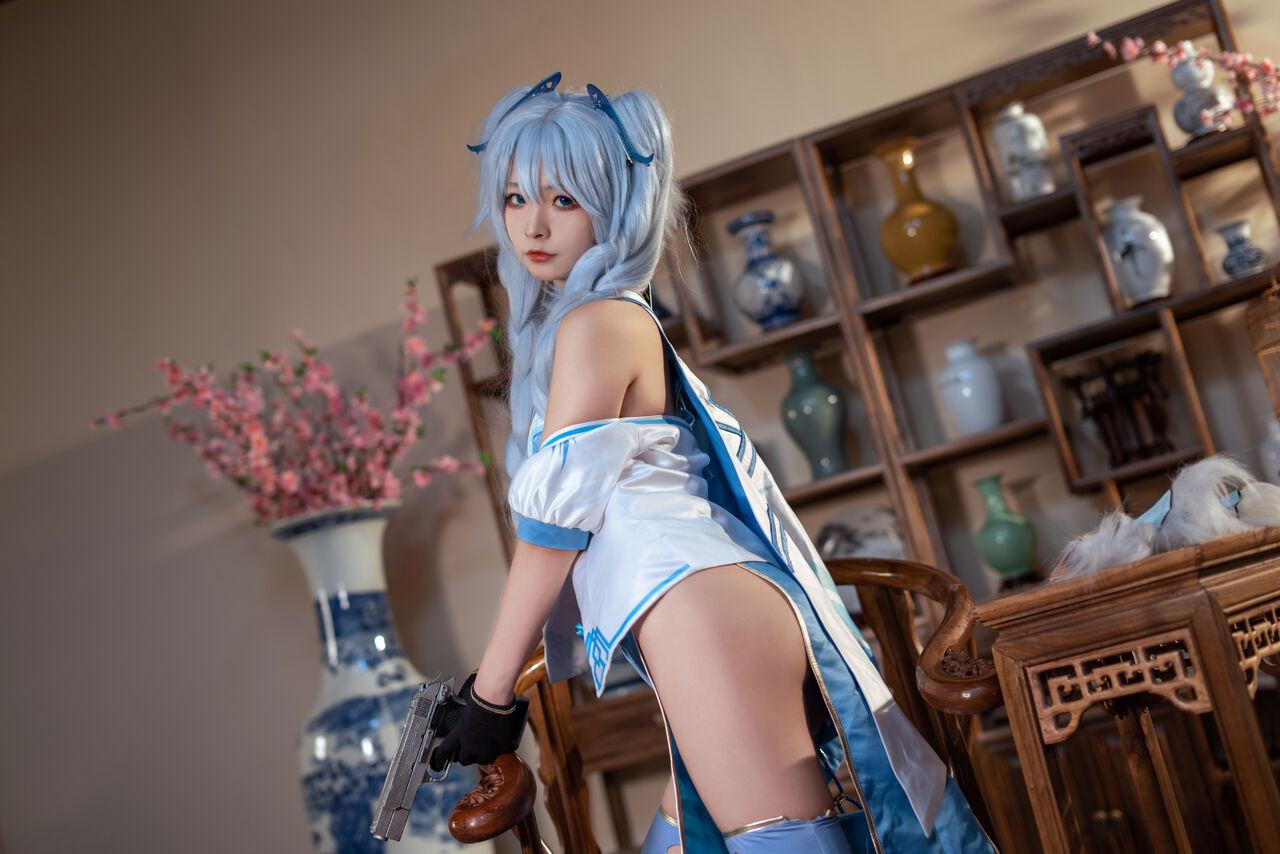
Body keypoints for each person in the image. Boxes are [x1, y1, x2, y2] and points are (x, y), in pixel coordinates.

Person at [428, 72, 996, 854]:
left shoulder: (597, 324)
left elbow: (554, 534)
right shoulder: (599, 322)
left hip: (698, 613)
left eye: (564, 198)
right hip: (695, 612)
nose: (534, 222)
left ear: (612, 204)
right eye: (515, 197)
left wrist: (491, 696)